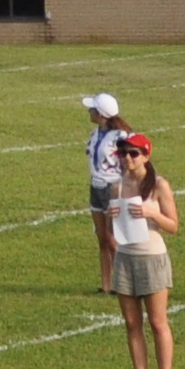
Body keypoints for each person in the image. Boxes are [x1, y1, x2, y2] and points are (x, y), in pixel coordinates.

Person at [109, 133, 180, 369]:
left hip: (152, 258)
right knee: (132, 323)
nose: (127, 158)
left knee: (157, 321)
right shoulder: (116, 187)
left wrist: (152, 212)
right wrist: (111, 216)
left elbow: (173, 225)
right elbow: (113, 230)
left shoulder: (159, 185)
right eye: (124, 153)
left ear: (146, 157)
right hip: (125, 258)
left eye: (133, 153)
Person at [81, 89, 130, 292]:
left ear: (100, 113)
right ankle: (106, 285)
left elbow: (129, 164)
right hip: (96, 187)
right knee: (102, 238)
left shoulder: (121, 136)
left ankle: (125, 282)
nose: (89, 111)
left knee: (112, 239)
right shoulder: (96, 133)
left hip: (113, 189)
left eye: (92, 109)